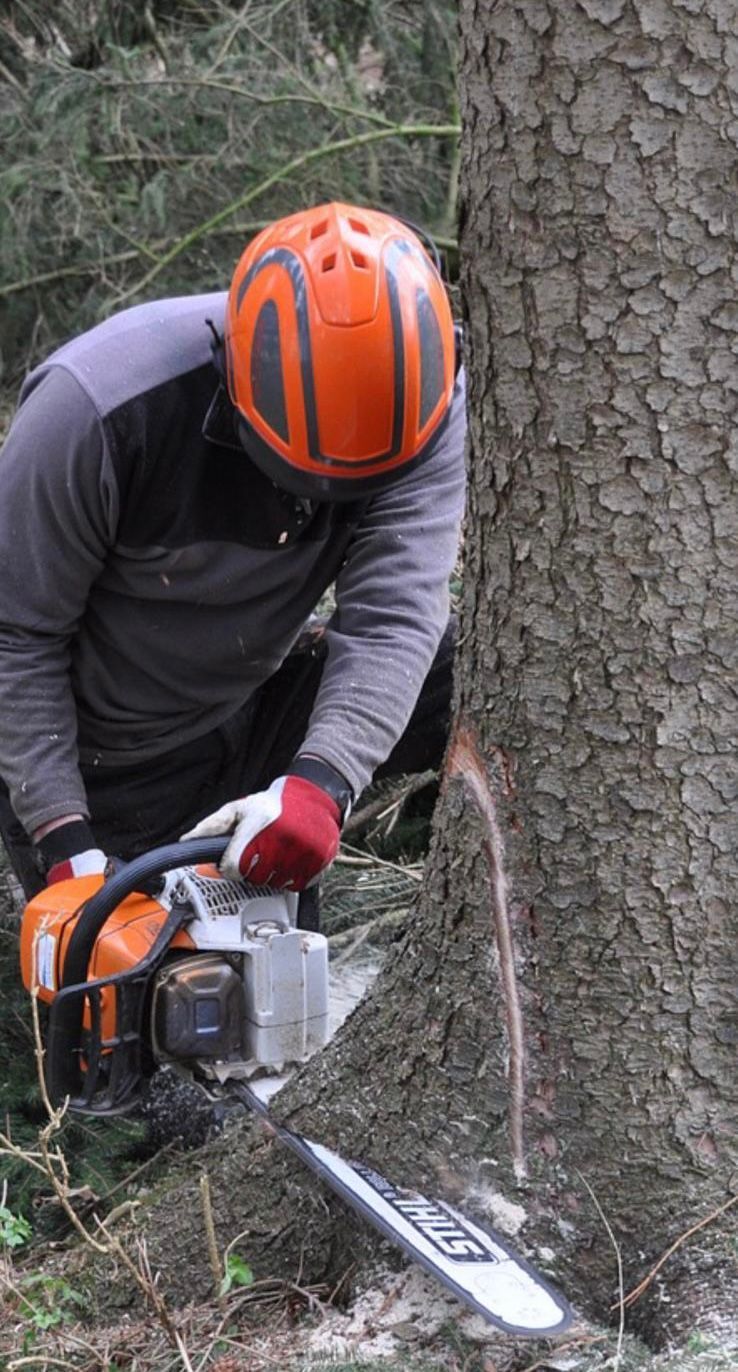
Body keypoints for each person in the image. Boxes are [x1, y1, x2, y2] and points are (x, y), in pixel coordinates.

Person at [0, 202, 466, 904]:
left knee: (479, 668)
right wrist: (63, 836)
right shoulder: (99, 410)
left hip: (261, 693)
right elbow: (15, 634)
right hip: (111, 760)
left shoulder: (425, 399)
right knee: (162, 986)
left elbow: (393, 614)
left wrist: (322, 783)